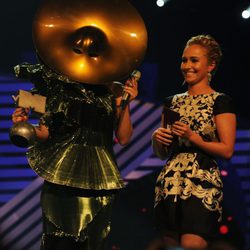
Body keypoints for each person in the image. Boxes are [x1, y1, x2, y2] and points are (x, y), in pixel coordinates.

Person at [11, 63, 138, 250]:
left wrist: (126, 104)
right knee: (57, 242)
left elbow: (124, 138)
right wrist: (26, 125)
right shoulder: (59, 85)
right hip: (60, 176)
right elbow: (46, 132)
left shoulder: (114, 88)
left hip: (99, 178)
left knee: (92, 242)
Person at [151, 34, 236, 249]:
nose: (187, 65)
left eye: (194, 60)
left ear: (211, 65)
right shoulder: (171, 102)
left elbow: (226, 150)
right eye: (184, 60)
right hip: (170, 184)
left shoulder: (220, 101)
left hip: (202, 185)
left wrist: (192, 137)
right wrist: (156, 139)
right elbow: (163, 153)